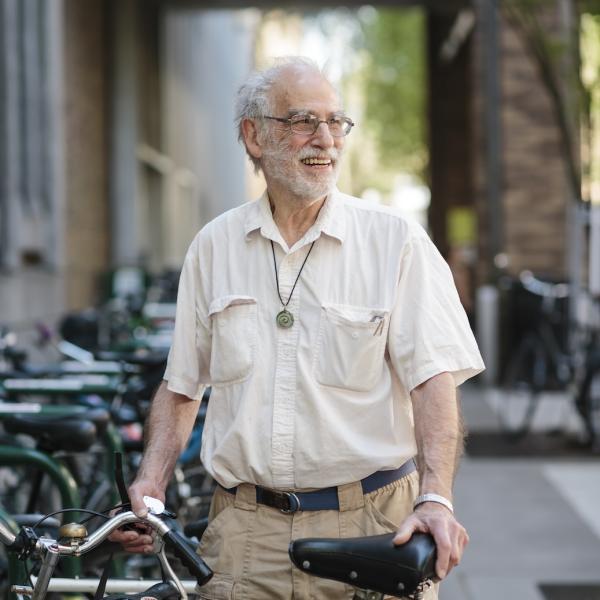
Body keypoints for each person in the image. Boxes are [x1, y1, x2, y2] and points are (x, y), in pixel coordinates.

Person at [111, 57, 484, 599]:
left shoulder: (394, 241)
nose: (326, 139)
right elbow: (182, 385)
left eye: (336, 122)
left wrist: (436, 499)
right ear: (254, 135)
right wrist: (151, 483)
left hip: (374, 529)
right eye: (304, 120)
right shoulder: (214, 246)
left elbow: (433, 382)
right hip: (243, 537)